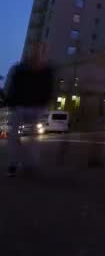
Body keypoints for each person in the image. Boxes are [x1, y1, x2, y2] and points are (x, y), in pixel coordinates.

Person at [4, 48, 54, 177]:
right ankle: (13, 164)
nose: (36, 59)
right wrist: (11, 103)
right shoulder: (18, 69)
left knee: (34, 136)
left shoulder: (46, 71)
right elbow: (10, 85)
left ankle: (29, 163)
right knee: (14, 135)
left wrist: (44, 104)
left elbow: (49, 88)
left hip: (36, 107)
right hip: (20, 105)